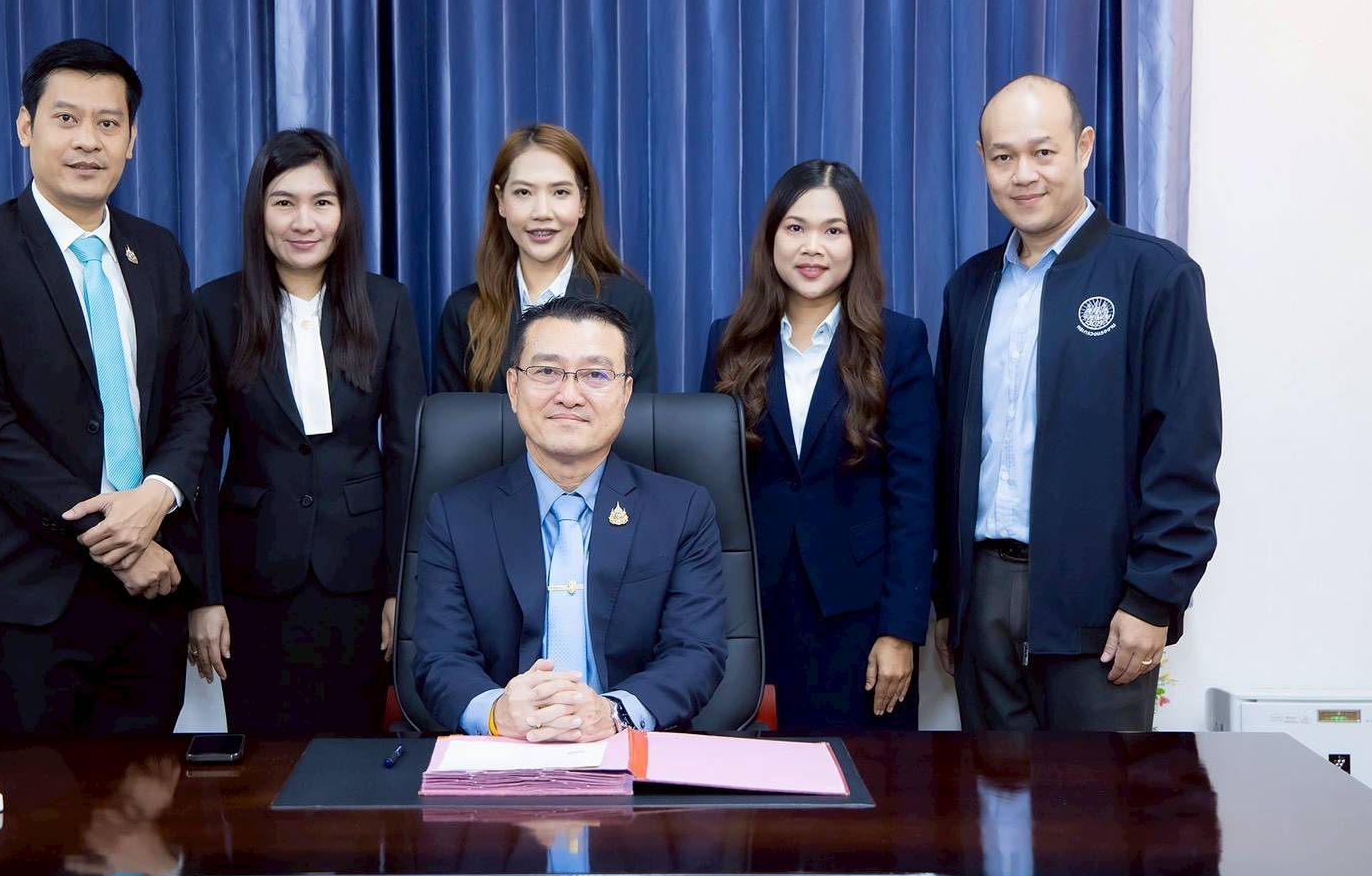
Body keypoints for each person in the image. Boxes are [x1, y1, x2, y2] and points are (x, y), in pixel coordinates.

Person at [0, 39, 212, 734]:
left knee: (145, 799)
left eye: (108, 123)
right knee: (26, 803)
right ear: (26, 127)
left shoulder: (158, 251)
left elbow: (194, 401)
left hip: (151, 597)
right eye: (66, 118)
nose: (88, 140)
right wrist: (117, 538)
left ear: (132, 140)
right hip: (27, 600)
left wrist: (157, 495)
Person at [933, 74, 1221, 732]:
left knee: (1098, 796)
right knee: (990, 792)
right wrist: (949, 598)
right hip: (983, 596)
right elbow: (950, 453)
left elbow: (1183, 452)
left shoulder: (1155, 276)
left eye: (1043, 152)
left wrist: (1153, 598)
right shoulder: (970, 288)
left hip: (1103, 604)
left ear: (1084, 147)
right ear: (982, 161)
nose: (1023, 175)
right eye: (1003, 157)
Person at [181, 129, 424, 734]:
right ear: (258, 212)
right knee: (261, 759)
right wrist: (205, 595)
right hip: (253, 575)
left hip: (361, 574)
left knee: (352, 754)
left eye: (321, 202)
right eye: (284, 202)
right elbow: (198, 461)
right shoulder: (215, 307)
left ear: (344, 212)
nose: (303, 221)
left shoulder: (387, 303)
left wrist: (402, 587)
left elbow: (407, 454)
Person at [414, 297, 726, 738]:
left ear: (626, 393)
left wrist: (612, 714)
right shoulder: (455, 515)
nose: (569, 395)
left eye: (596, 375)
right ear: (513, 387)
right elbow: (440, 658)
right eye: (546, 371)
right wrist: (498, 712)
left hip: (631, 747)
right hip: (502, 752)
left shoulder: (682, 510)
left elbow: (695, 651)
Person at [703, 160, 936, 731]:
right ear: (771, 238)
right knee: (754, 777)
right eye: (796, 228)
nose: (813, 247)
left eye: (834, 230)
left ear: (858, 243)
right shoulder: (727, 340)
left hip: (858, 615)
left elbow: (915, 497)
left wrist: (900, 630)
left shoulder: (899, 341)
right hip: (751, 612)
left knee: (862, 777)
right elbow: (709, 488)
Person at [433, 124, 658, 393]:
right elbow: (450, 417)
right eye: (523, 192)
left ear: (583, 202)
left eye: (560, 192)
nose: (541, 212)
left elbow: (638, 413)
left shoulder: (628, 303)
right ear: (501, 201)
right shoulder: (463, 310)